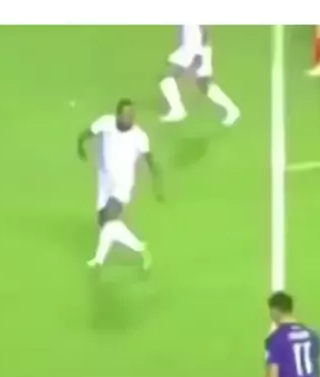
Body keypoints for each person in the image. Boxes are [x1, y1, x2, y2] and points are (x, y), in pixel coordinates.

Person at [77, 98, 162, 268]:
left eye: (132, 114)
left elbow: (150, 161)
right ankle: (131, 250)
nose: (130, 118)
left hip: (123, 184)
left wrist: (157, 186)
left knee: (110, 219)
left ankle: (110, 257)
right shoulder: (106, 123)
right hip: (105, 180)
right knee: (105, 223)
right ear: (117, 115)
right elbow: (86, 133)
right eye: (126, 114)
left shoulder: (139, 136)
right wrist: (80, 147)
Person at [159, 25, 240, 125]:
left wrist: (204, 59)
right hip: (194, 50)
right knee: (203, 84)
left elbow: (203, 34)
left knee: (167, 79)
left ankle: (178, 110)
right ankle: (232, 110)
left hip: (193, 51)